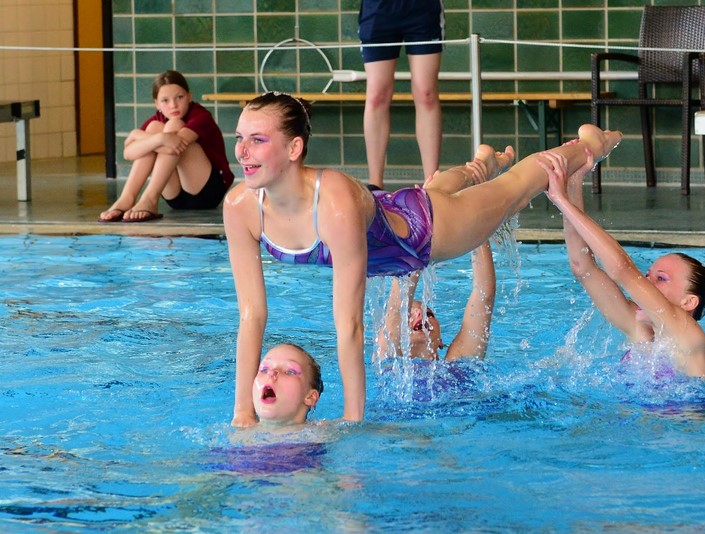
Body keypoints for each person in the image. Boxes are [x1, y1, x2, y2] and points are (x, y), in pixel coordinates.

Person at [223, 91, 622, 426]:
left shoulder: (333, 203)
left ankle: (591, 144)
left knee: (512, 190)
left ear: (295, 148)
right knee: (438, 188)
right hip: (384, 214)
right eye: (240, 137)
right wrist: (243, 411)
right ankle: (480, 165)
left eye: (257, 139)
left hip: (421, 234)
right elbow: (251, 315)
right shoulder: (240, 206)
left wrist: (352, 418)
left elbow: (348, 324)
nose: (242, 150)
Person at [539, 145, 705, 379]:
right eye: (648, 276)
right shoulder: (640, 329)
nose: (645, 283)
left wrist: (560, 200)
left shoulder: (691, 340)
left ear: (688, 302)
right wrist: (573, 184)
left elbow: (622, 270)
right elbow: (583, 267)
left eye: (661, 279)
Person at [377, 161, 496, 362]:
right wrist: (420, 214)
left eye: (428, 313)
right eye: (409, 314)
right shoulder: (387, 362)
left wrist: (474, 217)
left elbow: (483, 293)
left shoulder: (457, 363)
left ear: (440, 340)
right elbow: (400, 296)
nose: (419, 316)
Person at [98, 70, 234, 223]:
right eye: (165, 101)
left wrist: (138, 135)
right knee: (156, 127)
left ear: (189, 96)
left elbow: (173, 146)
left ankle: (150, 198)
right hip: (175, 199)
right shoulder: (157, 120)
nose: (173, 105)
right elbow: (127, 153)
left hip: (207, 193)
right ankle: (127, 198)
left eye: (179, 97)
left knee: (172, 127)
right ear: (156, 103)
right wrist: (160, 138)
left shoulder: (201, 116)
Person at [359, 0, 444, 189]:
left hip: (421, 10)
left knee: (426, 93)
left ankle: (432, 185)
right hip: (378, 9)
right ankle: (375, 186)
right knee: (376, 95)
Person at [252, 343, 324, 428]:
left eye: (289, 372)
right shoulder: (239, 434)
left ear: (310, 397)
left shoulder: (323, 434)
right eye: (264, 369)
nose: (271, 373)